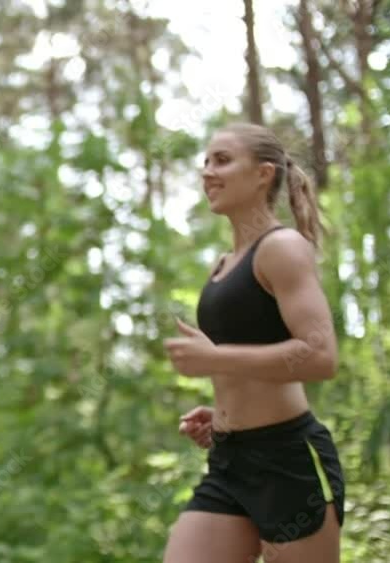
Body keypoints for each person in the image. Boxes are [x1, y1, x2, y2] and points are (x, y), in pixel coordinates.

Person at [161, 122, 345, 563]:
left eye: (222, 160)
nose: (207, 172)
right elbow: (250, 360)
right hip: (229, 462)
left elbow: (320, 356)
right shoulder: (224, 264)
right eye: (205, 162)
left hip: (287, 461)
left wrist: (217, 357)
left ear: (263, 174)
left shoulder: (282, 248)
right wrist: (224, 411)